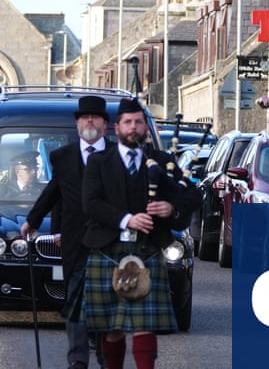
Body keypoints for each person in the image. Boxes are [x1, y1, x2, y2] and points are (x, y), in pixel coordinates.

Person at [80, 98, 199, 369]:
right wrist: (127, 219)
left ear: (146, 126)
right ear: (116, 128)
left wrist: (171, 208)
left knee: (145, 325)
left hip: (147, 249)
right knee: (112, 327)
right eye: (128, 122)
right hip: (108, 249)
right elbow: (91, 203)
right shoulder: (99, 162)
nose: (133, 127)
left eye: (139, 122)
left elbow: (193, 194)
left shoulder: (162, 161)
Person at [22, 95, 109, 369]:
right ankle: (77, 362)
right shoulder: (63, 157)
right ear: (77, 124)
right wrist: (33, 220)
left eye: (95, 117)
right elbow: (54, 192)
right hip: (75, 242)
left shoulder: (118, 156)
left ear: (105, 125)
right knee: (76, 303)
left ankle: (107, 358)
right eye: (85, 117)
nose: (90, 121)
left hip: (110, 242)